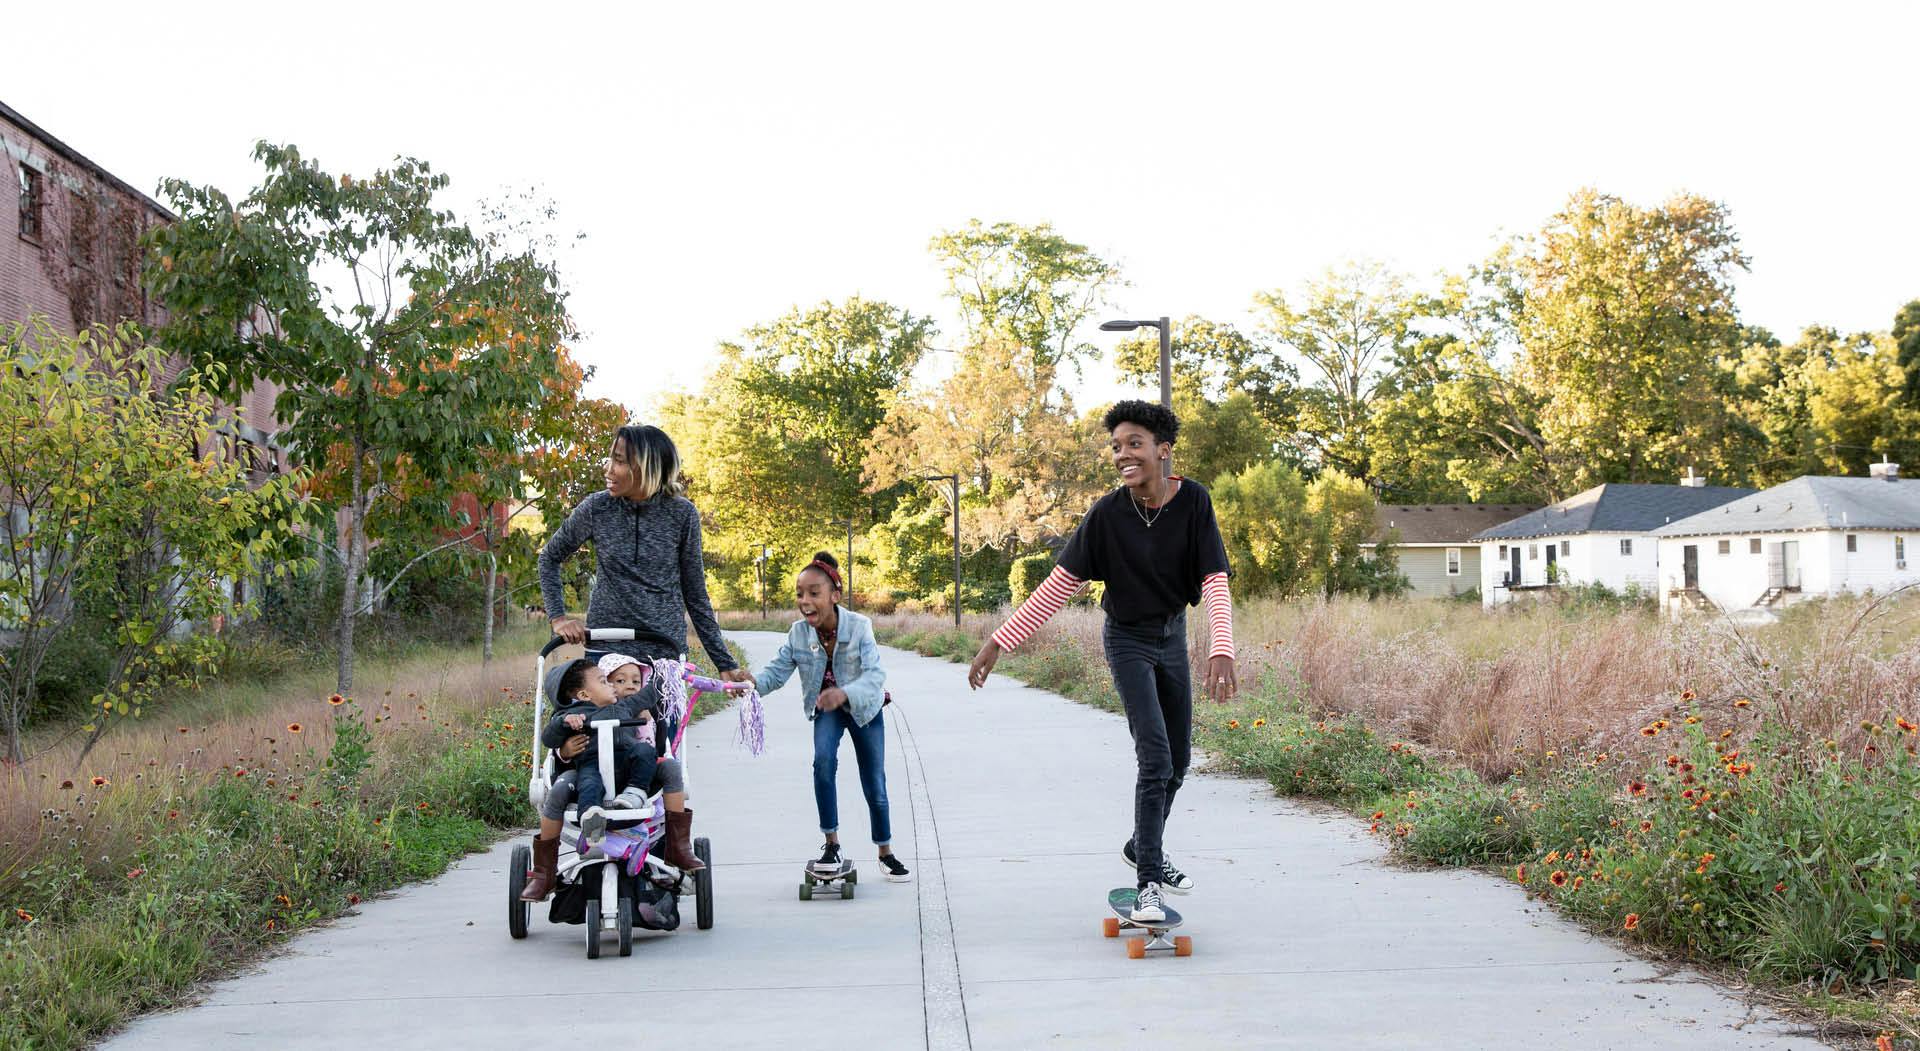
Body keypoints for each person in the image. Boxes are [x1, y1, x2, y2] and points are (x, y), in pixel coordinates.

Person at [967, 400, 1237, 924]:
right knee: (1155, 758)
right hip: (1128, 640)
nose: (1122, 454)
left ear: (1164, 449)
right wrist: (1000, 640)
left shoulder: (1194, 502)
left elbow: (1215, 581)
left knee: (1179, 761)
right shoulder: (1107, 515)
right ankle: (1148, 886)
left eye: (1134, 443)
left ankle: (1143, 845)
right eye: (1116, 446)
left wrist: (1222, 646)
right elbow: (1058, 587)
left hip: (1172, 638)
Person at [523, 423, 746, 900]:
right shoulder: (597, 509)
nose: (610, 468)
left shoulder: (683, 516)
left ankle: (664, 851)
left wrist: (723, 660)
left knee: (656, 747)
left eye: (620, 460)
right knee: (598, 742)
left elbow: (695, 593)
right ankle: (592, 833)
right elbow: (550, 558)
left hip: (662, 652)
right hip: (605, 649)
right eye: (611, 457)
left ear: (647, 467)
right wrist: (560, 615)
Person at [751, 552, 910, 883]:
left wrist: (845, 692)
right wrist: (749, 685)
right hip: (826, 710)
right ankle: (831, 844)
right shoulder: (798, 633)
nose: (805, 601)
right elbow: (776, 673)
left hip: (864, 709)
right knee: (822, 763)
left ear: (834, 596)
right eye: (800, 594)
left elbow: (875, 674)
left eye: (814, 593)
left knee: (874, 782)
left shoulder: (859, 626)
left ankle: (885, 850)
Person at [539, 657, 659, 845]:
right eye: (604, 682)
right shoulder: (574, 715)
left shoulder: (624, 706)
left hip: (627, 763)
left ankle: (635, 792)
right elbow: (548, 738)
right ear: (585, 695)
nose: (611, 685)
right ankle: (591, 817)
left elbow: (647, 695)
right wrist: (564, 722)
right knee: (589, 783)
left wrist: (667, 675)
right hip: (592, 765)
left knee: (645, 751)